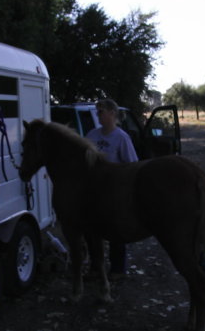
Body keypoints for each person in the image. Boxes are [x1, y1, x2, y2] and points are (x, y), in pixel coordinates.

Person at [86, 99, 138, 279]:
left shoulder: (121, 137)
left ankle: (117, 269)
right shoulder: (91, 135)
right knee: (92, 231)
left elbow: (132, 166)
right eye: (97, 111)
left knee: (115, 231)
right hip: (93, 193)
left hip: (114, 193)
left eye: (101, 111)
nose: (98, 115)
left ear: (112, 114)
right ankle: (95, 267)